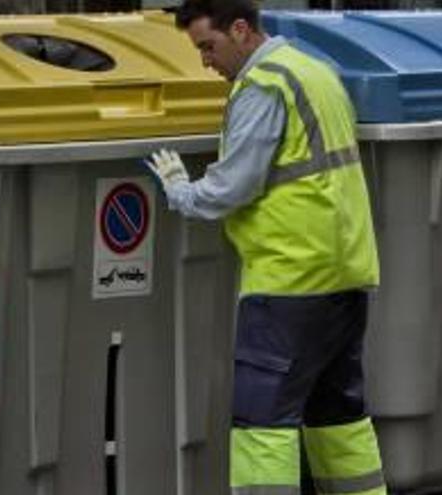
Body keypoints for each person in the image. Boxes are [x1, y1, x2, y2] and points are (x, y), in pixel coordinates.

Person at [143, 1, 386, 494]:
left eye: (208, 47)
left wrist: (181, 192)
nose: (204, 62)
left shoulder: (262, 86)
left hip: (288, 278)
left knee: (263, 425)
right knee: (337, 415)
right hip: (344, 271)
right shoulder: (314, 71)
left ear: (240, 30)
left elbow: (235, 185)